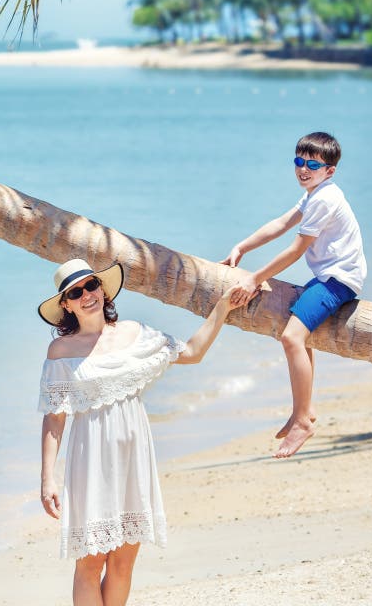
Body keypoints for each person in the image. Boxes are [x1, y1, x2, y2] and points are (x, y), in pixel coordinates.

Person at [37, 258, 240, 606]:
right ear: (66, 305)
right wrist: (47, 479)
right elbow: (55, 418)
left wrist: (222, 307)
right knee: (89, 562)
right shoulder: (61, 351)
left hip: (134, 458)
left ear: (102, 289)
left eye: (91, 285)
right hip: (91, 460)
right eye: (76, 292)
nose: (87, 295)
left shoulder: (135, 333)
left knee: (123, 561)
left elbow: (191, 352)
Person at [220, 131, 366, 459]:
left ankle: (303, 421)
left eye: (312, 164)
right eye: (298, 161)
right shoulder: (315, 193)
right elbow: (281, 223)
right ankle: (304, 409)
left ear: (330, 170)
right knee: (301, 336)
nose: (303, 169)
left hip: (339, 281)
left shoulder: (326, 198)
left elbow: (297, 249)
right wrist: (241, 247)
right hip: (330, 276)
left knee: (291, 338)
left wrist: (255, 279)